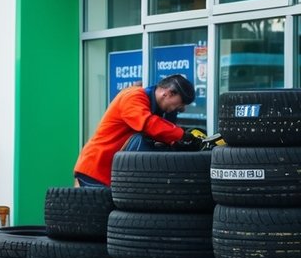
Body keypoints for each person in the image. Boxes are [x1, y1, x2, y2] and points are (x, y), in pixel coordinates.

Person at [73, 73, 203, 188]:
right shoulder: (133, 96)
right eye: (177, 104)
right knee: (101, 215)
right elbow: (147, 123)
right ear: (167, 93)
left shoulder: (157, 110)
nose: (178, 109)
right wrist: (182, 136)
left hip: (116, 173)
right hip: (97, 169)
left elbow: (164, 132)